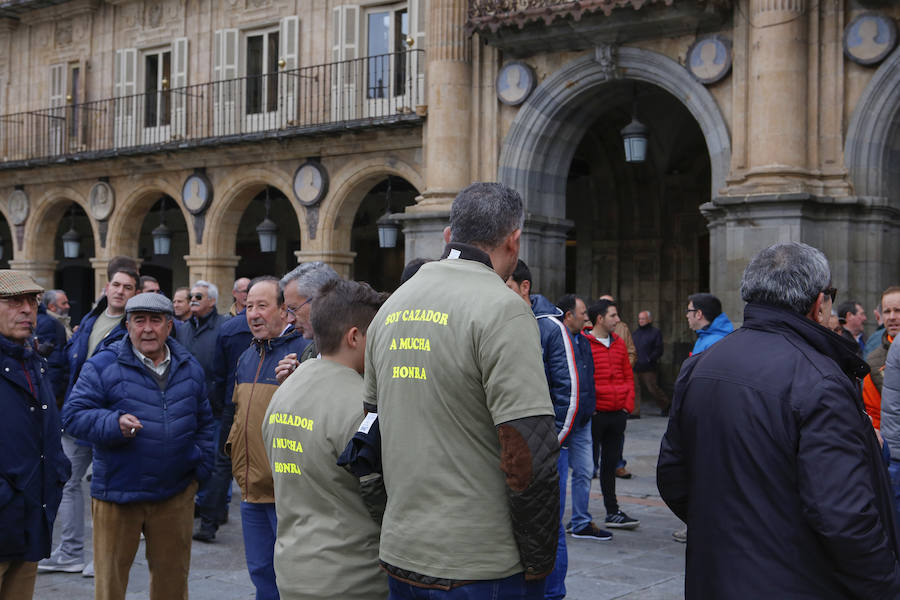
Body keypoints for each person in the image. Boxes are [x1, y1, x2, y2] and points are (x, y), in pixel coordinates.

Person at [658, 242, 900, 598]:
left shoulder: (700, 365)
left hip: (715, 575)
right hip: (797, 581)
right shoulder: (821, 381)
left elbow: (673, 477)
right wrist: (887, 586)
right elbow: (844, 517)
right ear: (820, 303)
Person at [364, 182, 559, 598]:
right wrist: (540, 560)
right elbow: (526, 449)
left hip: (402, 550)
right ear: (514, 239)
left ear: (449, 236)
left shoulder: (392, 307)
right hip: (477, 562)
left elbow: (368, 431)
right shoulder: (503, 308)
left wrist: (392, 519)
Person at [63, 292, 215, 600]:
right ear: (127, 326)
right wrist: (113, 424)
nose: (147, 329)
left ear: (169, 326)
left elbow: (206, 423)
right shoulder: (102, 365)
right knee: (110, 585)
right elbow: (73, 416)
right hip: (118, 493)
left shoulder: (189, 367)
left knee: (172, 583)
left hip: (175, 493)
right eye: (139, 321)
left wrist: (199, 464)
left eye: (156, 321)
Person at [262, 279, 388, 600]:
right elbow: (379, 495)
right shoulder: (361, 404)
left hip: (293, 568)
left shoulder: (286, 388)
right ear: (355, 336)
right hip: (353, 577)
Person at [40, 259, 139, 576]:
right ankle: (70, 552)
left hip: (112, 417)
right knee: (67, 482)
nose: (121, 291)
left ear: (134, 292)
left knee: (106, 488)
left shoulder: (135, 324)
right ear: (106, 287)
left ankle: (105, 557)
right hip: (78, 415)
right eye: (117, 285)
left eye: (128, 287)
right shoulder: (91, 318)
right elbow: (74, 366)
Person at [507, 263, 597, 599]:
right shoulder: (506, 319)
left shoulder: (549, 327)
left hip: (545, 451)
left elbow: (569, 393)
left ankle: (552, 593)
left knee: (548, 526)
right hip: (514, 451)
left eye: (506, 283)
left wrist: (549, 444)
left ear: (524, 286)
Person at [227, 276, 310, 600]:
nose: (253, 314)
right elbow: (233, 412)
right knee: (261, 572)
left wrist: (300, 377)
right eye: (249, 306)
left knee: (293, 576)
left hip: (286, 491)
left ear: (284, 311)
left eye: (262, 306)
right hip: (250, 489)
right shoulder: (247, 356)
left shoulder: (302, 353)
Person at [0, 271, 70, 599]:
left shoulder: (34, 362)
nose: (27, 310)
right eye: (14, 301)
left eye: (32, 301)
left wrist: (57, 474)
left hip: (30, 517)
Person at [194, 283, 254, 542]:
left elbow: (218, 374)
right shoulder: (275, 328)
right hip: (262, 400)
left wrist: (219, 404)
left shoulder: (227, 328)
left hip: (230, 402)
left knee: (222, 463)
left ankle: (210, 522)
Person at [583, 299, 640, 531]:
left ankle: (612, 511)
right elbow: (584, 377)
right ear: (600, 319)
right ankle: (581, 515)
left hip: (617, 414)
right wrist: (591, 405)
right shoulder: (585, 343)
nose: (617, 320)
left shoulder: (617, 343)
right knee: (587, 467)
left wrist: (627, 405)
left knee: (609, 465)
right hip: (596, 415)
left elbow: (627, 374)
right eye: (613, 316)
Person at [274, 262, 341, 384]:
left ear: (321, 301)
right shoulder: (310, 351)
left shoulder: (358, 349)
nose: (289, 319)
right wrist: (296, 383)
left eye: (293, 309)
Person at [862, 287, 900, 432]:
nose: (891, 317)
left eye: (898, 310)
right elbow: (874, 414)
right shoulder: (872, 361)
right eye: (887, 311)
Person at [632, 310, 670, 416]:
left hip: (649, 366)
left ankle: (666, 405)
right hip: (636, 365)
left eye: (643, 318)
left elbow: (659, 349)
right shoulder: (635, 333)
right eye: (639, 319)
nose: (641, 321)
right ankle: (635, 412)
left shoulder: (655, 332)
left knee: (653, 388)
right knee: (635, 389)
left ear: (649, 319)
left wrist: (650, 359)